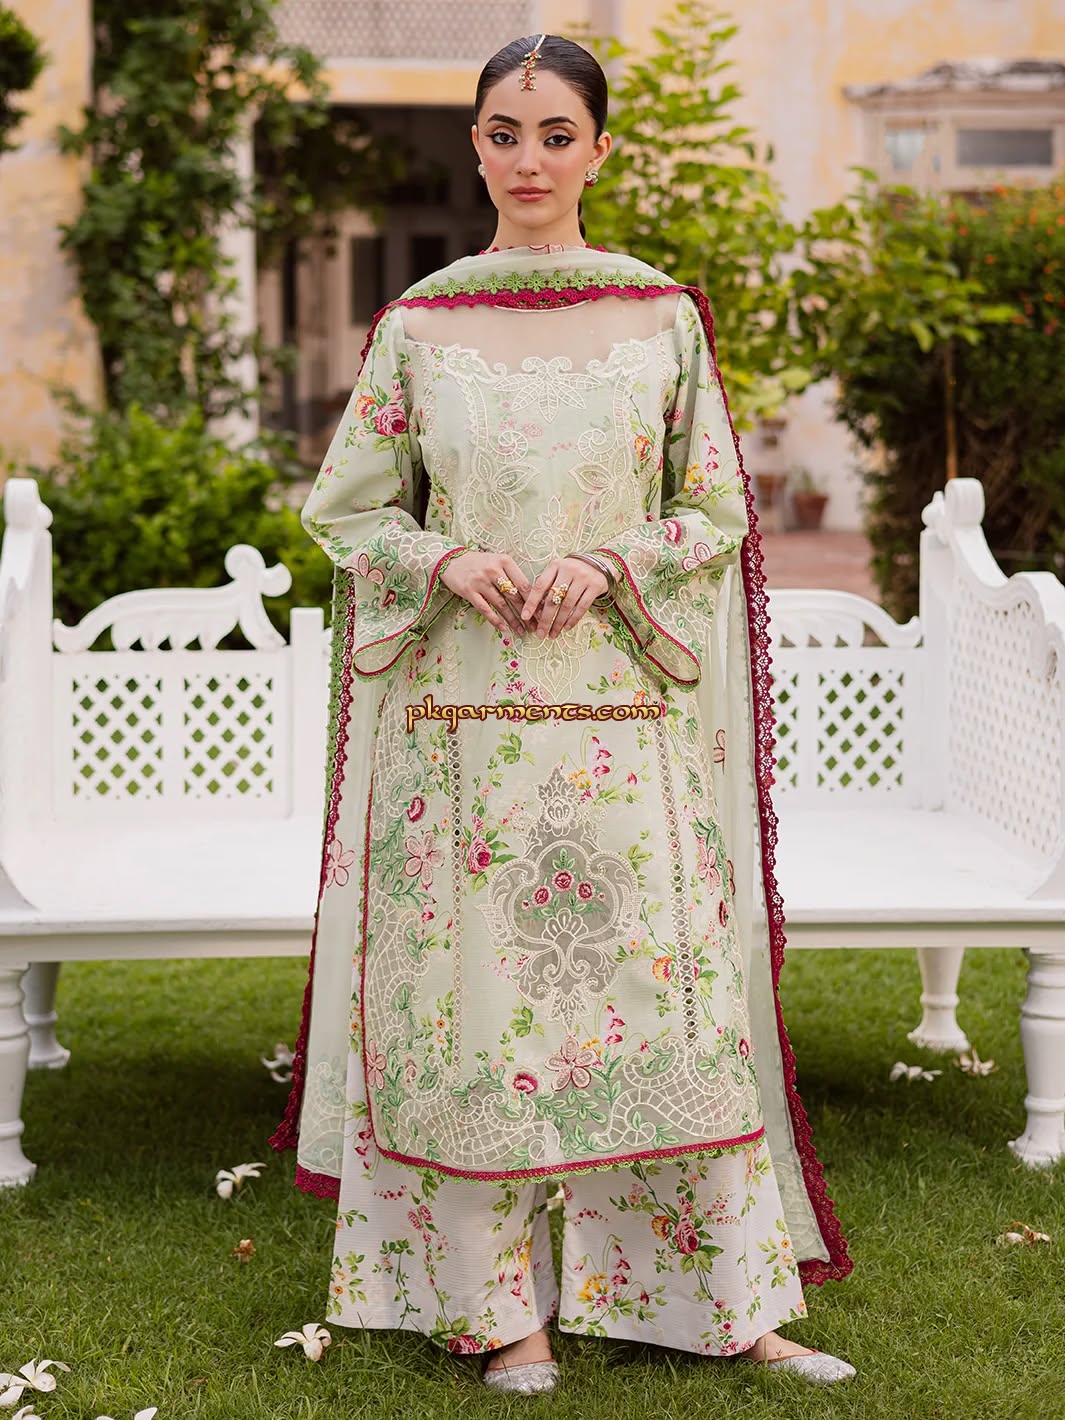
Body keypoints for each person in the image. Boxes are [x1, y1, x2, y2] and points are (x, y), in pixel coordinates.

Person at [272, 32, 854, 1395]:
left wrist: (610, 562)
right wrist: (444, 560)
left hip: (621, 724)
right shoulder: (418, 325)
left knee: (661, 1010)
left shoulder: (660, 318)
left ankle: (721, 1302)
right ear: (474, 148)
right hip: (461, 732)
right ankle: (503, 1315)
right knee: (483, 1020)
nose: (526, 159)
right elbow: (347, 510)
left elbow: (713, 507)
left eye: (553, 134)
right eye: (501, 133)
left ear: (599, 149)